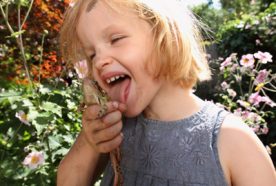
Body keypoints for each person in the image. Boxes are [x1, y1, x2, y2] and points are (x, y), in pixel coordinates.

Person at [57, 0, 276, 185]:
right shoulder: (113, 128)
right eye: (92, 54)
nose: (100, 61)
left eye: (116, 39)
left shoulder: (232, 140)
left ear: (165, 36)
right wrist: (89, 141)